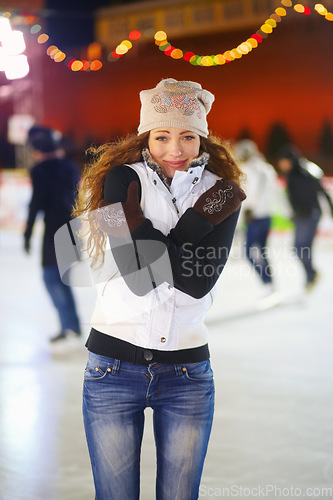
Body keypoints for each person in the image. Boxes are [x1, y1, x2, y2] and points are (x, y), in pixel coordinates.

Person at [73, 78, 246, 500]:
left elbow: (197, 280)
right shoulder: (117, 181)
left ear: (201, 136)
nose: (176, 149)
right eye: (162, 136)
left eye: (188, 136)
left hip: (187, 374)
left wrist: (145, 227)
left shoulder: (221, 191)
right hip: (111, 370)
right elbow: (134, 275)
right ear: (145, 136)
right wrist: (198, 225)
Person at [23, 125, 81, 343]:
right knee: (60, 279)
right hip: (73, 227)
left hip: (54, 231)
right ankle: (71, 326)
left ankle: (69, 326)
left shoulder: (40, 170)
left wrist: (27, 233)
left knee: (51, 278)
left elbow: (36, 203)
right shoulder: (69, 166)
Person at [277, 144, 333, 291]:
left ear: (290, 160)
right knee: (301, 248)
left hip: (311, 213)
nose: (281, 165)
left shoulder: (307, 171)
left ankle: (311, 276)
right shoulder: (290, 174)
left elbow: (322, 191)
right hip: (301, 215)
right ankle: (311, 276)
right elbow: (291, 197)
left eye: (283, 161)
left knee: (301, 247)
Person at [234, 139, 278, 295]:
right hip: (265, 215)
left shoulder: (248, 169)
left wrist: (247, 211)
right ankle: (270, 283)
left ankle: (268, 283)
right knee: (261, 251)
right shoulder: (267, 168)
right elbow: (273, 191)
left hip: (254, 216)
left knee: (250, 252)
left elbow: (249, 193)